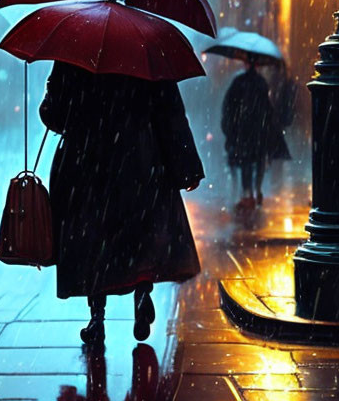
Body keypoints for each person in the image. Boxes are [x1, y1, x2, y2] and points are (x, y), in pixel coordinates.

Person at [39, 61, 203, 345]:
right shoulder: (145, 52)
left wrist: (58, 100)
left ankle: (97, 319)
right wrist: (186, 167)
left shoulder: (77, 50)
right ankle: (142, 294)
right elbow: (171, 115)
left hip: (87, 163)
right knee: (138, 237)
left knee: (94, 240)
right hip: (140, 160)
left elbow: (54, 113)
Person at [220, 57, 290, 208]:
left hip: (244, 131)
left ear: (246, 64)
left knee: (246, 162)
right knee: (258, 161)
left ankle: (248, 193)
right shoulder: (261, 83)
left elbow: (229, 106)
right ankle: (257, 188)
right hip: (258, 130)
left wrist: (231, 128)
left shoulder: (239, 82)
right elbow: (267, 108)